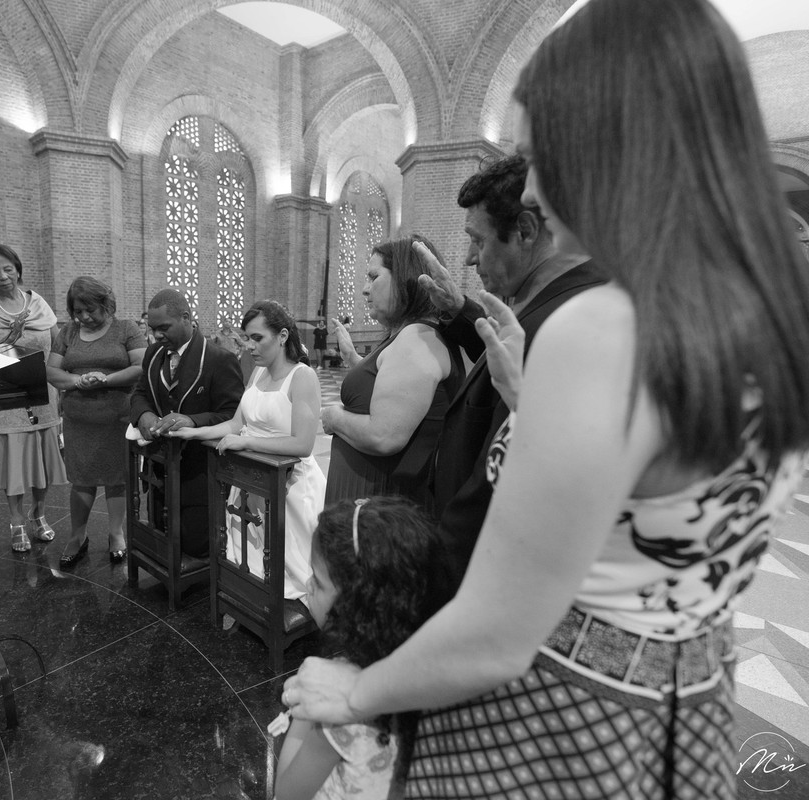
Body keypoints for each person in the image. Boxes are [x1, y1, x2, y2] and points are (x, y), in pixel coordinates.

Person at [283, 1, 809, 797]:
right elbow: (655, 508)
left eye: (540, 145)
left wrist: (356, 690)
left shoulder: (605, 324)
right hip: (684, 692)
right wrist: (531, 401)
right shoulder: (769, 313)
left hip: (561, 708)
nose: (533, 177)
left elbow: (499, 633)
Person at [422, 153, 604, 547]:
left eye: (477, 240)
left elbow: (504, 476)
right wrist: (459, 311)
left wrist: (437, 566)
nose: (470, 258)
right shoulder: (549, 301)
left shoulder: (573, 325)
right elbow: (501, 365)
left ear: (524, 231)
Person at [274, 497, 456, 800]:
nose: (307, 583)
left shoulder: (338, 706)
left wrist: (304, 711)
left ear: (358, 607)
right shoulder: (433, 677)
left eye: (318, 582)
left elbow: (287, 791)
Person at [173, 300, 325, 600]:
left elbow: (303, 444)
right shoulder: (259, 373)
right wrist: (192, 431)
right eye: (247, 338)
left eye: (258, 338)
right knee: (253, 564)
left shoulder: (302, 376)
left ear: (282, 337)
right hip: (253, 482)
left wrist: (246, 441)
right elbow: (235, 424)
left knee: (292, 572)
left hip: (290, 488)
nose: (250, 346)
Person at [320, 237, 464, 506]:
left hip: (383, 501)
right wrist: (353, 358)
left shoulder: (417, 339)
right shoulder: (409, 335)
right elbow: (388, 384)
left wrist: (333, 417)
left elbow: (384, 436)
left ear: (405, 279)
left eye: (374, 277)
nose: (365, 289)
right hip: (373, 494)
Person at [130, 288, 245, 558]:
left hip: (200, 470)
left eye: (163, 328)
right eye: (152, 329)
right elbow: (139, 393)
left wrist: (192, 420)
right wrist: (143, 414)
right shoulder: (153, 354)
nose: (157, 335)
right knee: (161, 535)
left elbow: (233, 413)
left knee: (195, 546)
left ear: (186, 317)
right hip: (161, 466)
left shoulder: (219, 359)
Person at [0, 244, 67, 553]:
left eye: (8, 268)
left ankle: (39, 515)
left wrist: (64, 385)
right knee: (15, 464)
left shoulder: (38, 303)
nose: (3, 275)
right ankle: (16, 522)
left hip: (42, 395)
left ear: (18, 268)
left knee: (42, 460)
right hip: (7, 396)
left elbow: (58, 346)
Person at [47, 276, 146, 566]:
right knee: (81, 478)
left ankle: (116, 533)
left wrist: (107, 379)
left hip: (116, 417)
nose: (84, 317)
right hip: (79, 420)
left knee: (117, 479)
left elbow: (141, 366)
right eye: (78, 311)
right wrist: (78, 380)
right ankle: (78, 536)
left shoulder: (126, 329)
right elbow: (52, 372)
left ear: (106, 304)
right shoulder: (68, 333)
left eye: (90, 310)